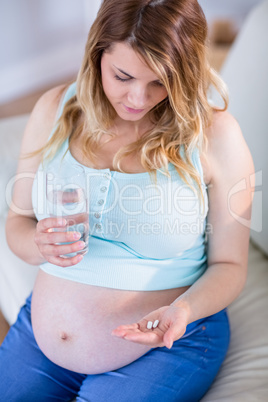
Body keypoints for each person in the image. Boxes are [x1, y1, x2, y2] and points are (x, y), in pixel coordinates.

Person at [0, 0, 254, 400]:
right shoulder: (54, 110)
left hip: (170, 340)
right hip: (41, 336)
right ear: (97, 54)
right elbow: (17, 222)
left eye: (160, 82)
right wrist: (36, 243)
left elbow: (231, 264)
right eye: (123, 76)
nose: (138, 98)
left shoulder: (215, 137)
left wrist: (182, 313)